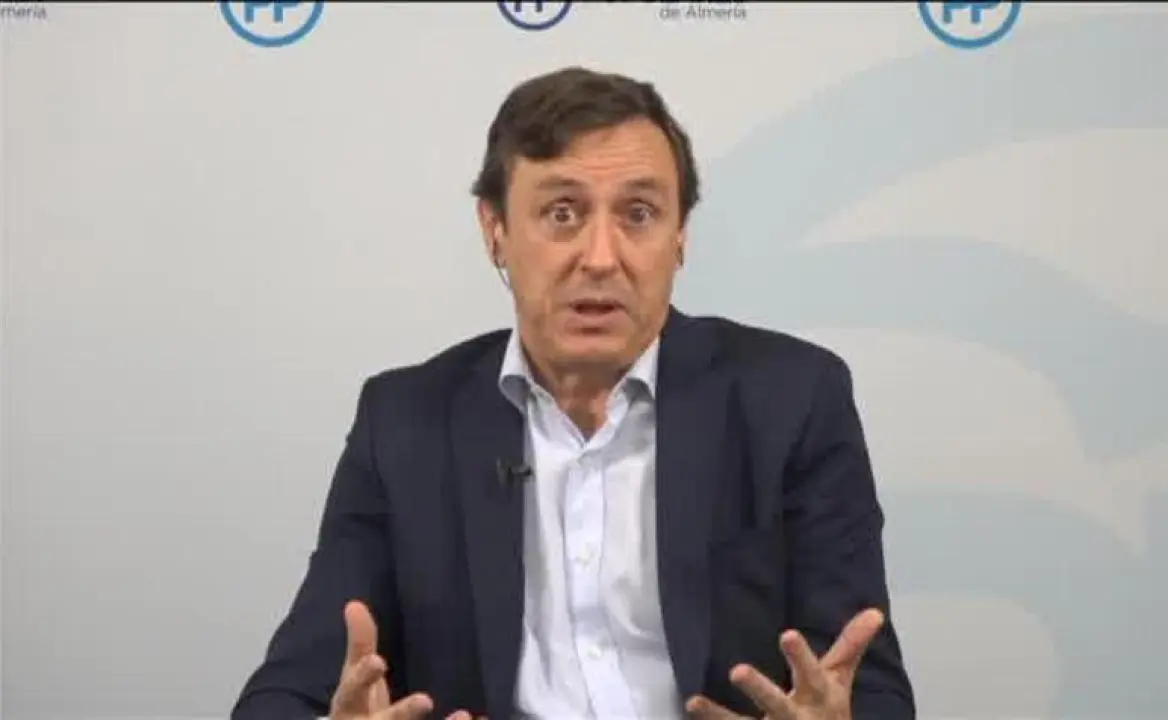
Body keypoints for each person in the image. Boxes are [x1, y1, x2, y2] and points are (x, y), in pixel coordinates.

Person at [231, 67, 915, 720]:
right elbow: (280, 697)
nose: (601, 257)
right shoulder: (404, 423)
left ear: (680, 236)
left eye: (639, 214)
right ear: (495, 231)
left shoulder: (792, 401)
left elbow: (871, 691)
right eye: (562, 213)